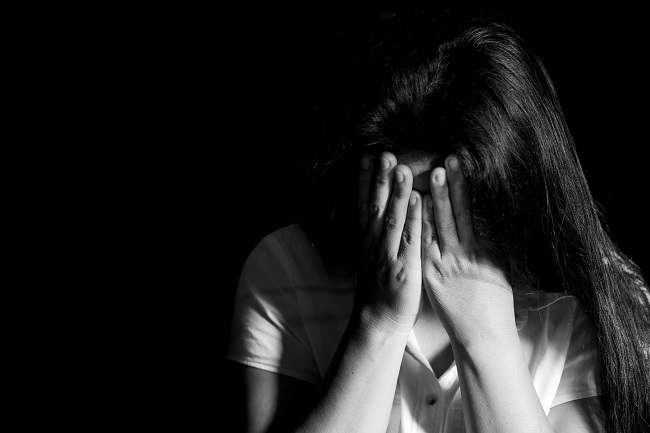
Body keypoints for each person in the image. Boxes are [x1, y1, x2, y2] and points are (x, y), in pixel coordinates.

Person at [224, 9, 650, 433]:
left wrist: (486, 337)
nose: (424, 230)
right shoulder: (284, 268)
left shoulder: (596, 298)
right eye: (400, 198)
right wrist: (378, 325)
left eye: (453, 201)